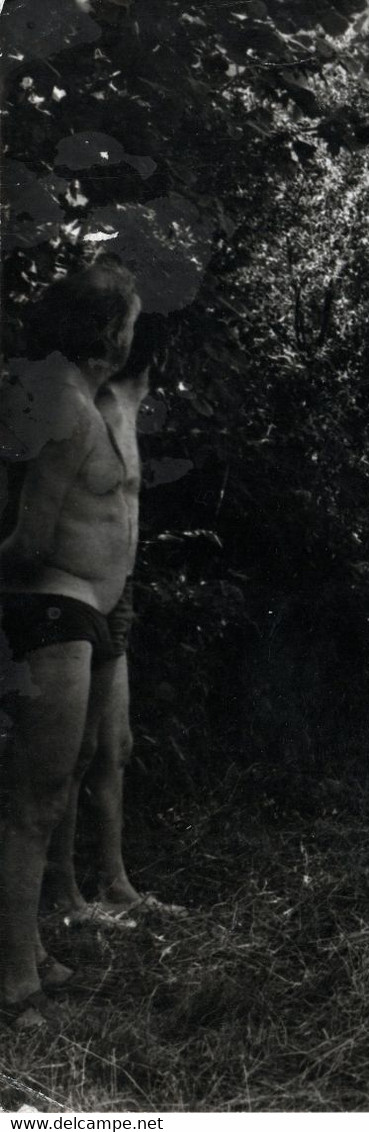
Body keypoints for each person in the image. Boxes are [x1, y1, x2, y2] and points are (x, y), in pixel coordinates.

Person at [0, 255, 140, 1028]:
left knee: (46, 798)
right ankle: (15, 982)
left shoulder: (82, 399)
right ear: (106, 330)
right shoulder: (60, 400)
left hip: (78, 616)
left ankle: (27, 955)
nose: (131, 337)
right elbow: (28, 542)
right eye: (127, 321)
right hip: (50, 611)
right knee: (32, 802)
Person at [42, 349, 181, 928]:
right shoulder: (94, 405)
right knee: (74, 755)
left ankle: (115, 879)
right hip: (79, 597)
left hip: (116, 596)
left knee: (115, 746)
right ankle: (66, 894)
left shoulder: (130, 405)